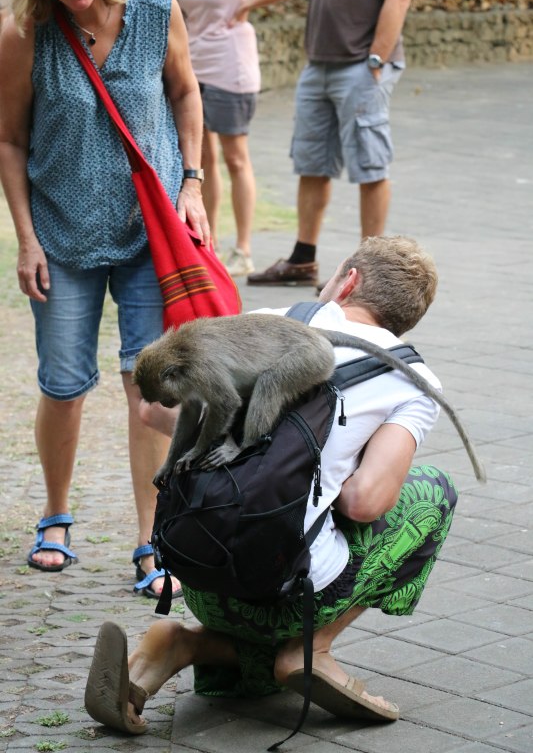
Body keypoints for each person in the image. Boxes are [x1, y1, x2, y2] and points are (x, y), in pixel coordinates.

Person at [84, 235, 458, 734]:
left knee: (258, 618)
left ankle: (179, 644)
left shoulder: (269, 317)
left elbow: (154, 411)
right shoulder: (413, 378)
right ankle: (311, 649)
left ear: (348, 281)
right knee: (433, 489)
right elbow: (363, 502)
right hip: (288, 587)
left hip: (201, 569)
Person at [0, 0, 210, 599]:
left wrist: (193, 184)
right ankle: (55, 513)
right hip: (60, 236)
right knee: (64, 386)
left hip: (150, 232)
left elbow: (185, 91)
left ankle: (153, 540)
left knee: (152, 393)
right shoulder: (24, 30)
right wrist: (26, 239)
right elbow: (9, 139)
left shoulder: (154, 6)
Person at [247, 0, 413, 287]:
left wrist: (377, 59)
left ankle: (368, 272)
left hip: (363, 64)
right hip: (319, 64)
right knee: (311, 163)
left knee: (369, 164)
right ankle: (302, 260)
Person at [174, 0, 306, 276]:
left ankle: (243, 250)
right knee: (201, 159)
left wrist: (248, 4)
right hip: (194, 64)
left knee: (235, 158)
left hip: (230, 65)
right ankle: (210, 243)